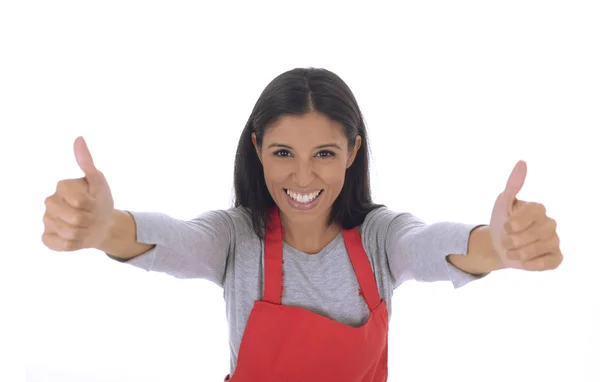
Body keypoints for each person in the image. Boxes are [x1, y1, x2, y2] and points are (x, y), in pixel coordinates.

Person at [42, 67, 563, 381]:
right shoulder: (235, 240)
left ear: (354, 152)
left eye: (326, 153)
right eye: (284, 152)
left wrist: (499, 245)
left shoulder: (381, 240)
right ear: (257, 150)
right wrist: (102, 226)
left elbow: (435, 246)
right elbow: (174, 238)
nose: (304, 176)